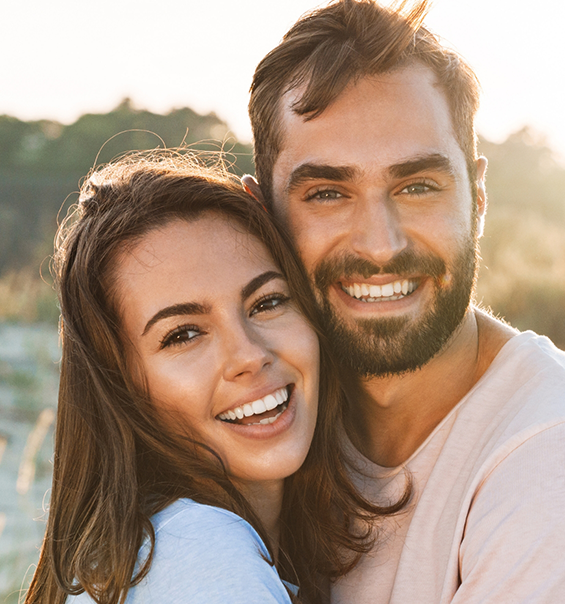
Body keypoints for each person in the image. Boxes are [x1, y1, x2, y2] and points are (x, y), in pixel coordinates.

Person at [244, 0, 565, 602]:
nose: (381, 246)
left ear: (477, 197)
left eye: (417, 186)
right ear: (263, 215)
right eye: (327, 193)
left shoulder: (547, 460)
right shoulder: (259, 415)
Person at [24, 152, 406, 604]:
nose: (248, 355)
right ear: (120, 385)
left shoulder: (144, 553)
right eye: (183, 334)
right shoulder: (200, 555)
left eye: (266, 303)